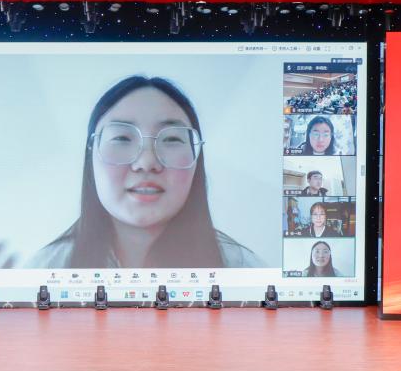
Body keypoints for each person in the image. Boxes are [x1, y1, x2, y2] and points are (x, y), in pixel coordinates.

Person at [29, 76, 263, 268]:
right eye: (122, 138)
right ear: (91, 155)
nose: (147, 162)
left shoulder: (243, 269)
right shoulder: (44, 270)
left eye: (171, 139)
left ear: (196, 158)